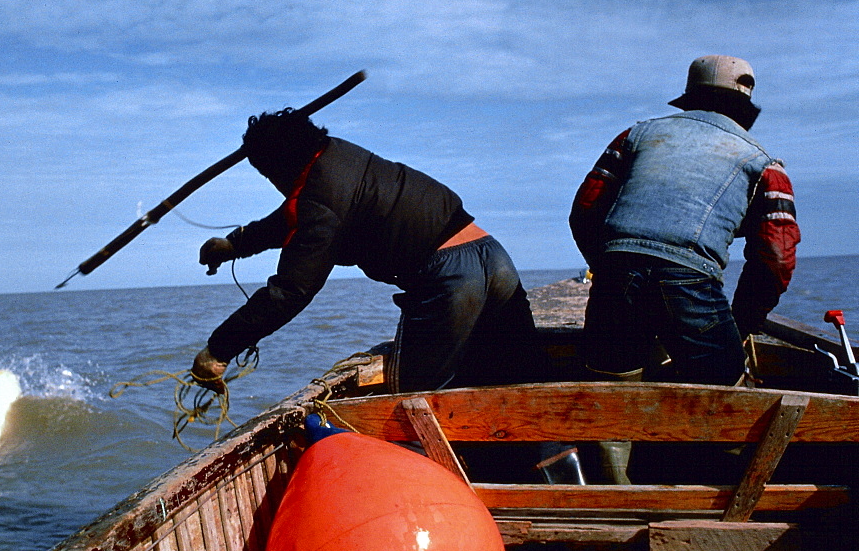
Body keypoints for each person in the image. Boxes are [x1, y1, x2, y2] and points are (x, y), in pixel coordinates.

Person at [191, 108, 548, 397]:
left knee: (417, 402)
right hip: (494, 258)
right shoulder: (339, 156)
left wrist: (219, 350)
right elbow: (296, 217)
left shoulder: (320, 199)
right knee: (520, 385)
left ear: (279, 168)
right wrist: (236, 244)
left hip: (451, 278)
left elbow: (291, 291)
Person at [570, 55, 800, 482]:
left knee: (611, 385)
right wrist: (742, 321)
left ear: (690, 97)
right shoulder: (763, 164)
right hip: (689, 282)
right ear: (746, 107)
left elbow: (585, 211)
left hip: (616, 273)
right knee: (726, 393)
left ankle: (616, 496)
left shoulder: (636, 135)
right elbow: (777, 255)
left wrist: (609, 268)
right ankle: (716, 493)